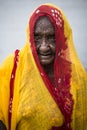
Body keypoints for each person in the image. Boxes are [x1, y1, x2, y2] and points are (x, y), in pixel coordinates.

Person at [0, 3, 87, 130]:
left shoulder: (78, 77)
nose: (44, 46)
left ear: (62, 38)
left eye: (51, 37)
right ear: (29, 37)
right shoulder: (12, 68)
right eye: (37, 37)